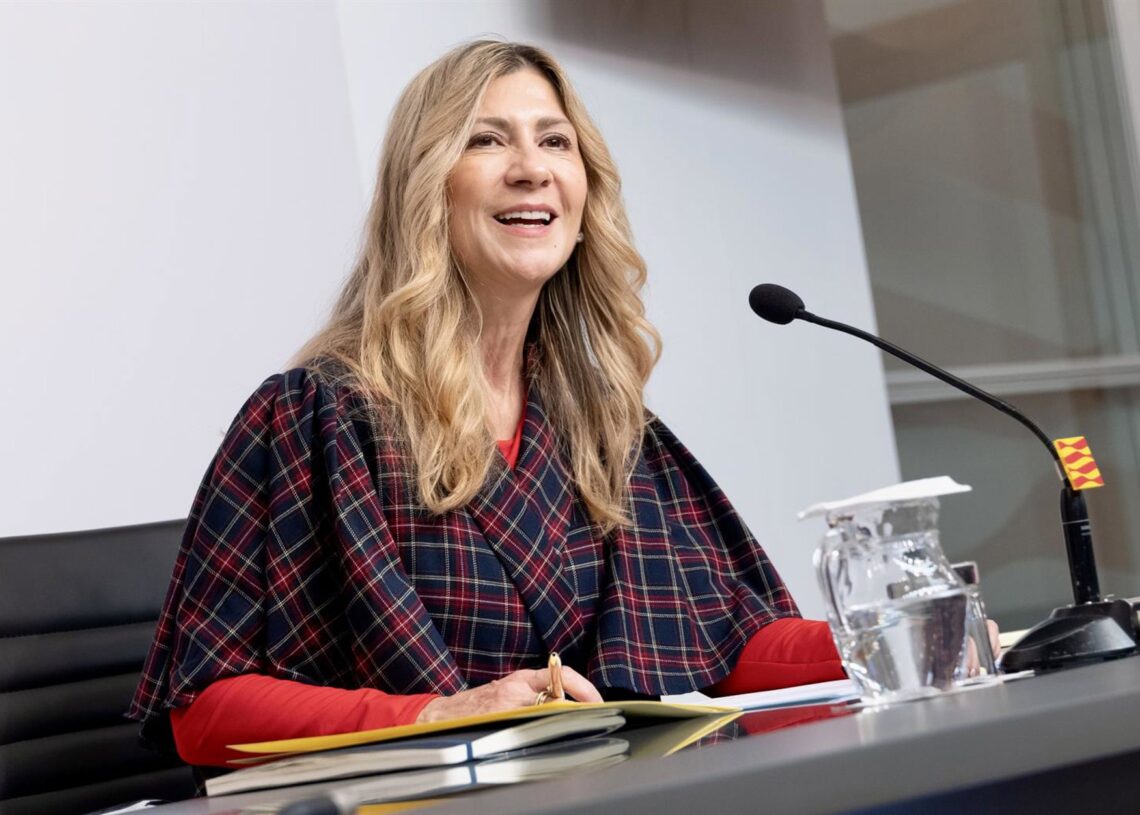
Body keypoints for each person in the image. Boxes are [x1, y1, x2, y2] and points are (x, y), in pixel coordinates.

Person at [129, 40, 913, 772]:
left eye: (555, 141)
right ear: (424, 185)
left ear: (583, 195)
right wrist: (439, 713)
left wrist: (894, 631)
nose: (531, 169)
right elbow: (205, 711)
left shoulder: (605, 421)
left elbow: (733, 639)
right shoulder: (313, 418)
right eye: (487, 140)